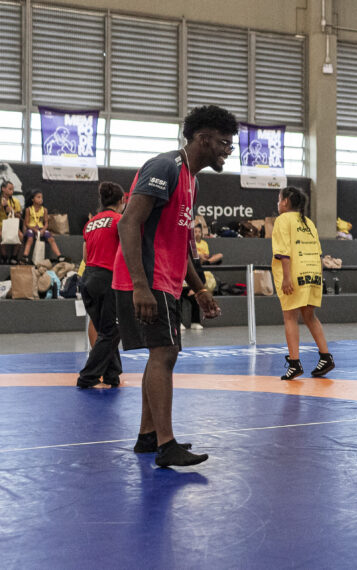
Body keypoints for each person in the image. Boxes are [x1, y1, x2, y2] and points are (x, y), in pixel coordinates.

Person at [113, 105, 238, 468]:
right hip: (147, 280)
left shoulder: (192, 180)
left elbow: (182, 244)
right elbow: (127, 224)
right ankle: (166, 445)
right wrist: (140, 285)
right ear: (203, 138)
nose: (227, 151)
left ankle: (148, 436)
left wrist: (199, 288)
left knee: (160, 355)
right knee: (164, 355)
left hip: (164, 281)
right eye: (224, 144)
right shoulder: (164, 166)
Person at [272, 186, 335, 380]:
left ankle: (294, 363)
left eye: (279, 199)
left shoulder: (282, 220)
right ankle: (326, 357)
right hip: (313, 273)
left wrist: (287, 277)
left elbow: (283, 251)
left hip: (294, 273)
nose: (277, 203)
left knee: (290, 317)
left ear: (285, 202)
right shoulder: (308, 222)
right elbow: (319, 252)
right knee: (309, 316)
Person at [76, 182, 125, 389]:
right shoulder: (119, 220)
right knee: (111, 330)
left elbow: (86, 256)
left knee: (106, 329)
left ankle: (112, 375)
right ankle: (88, 376)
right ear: (122, 201)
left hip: (87, 278)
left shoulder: (91, 223)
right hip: (107, 278)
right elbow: (127, 251)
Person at [21, 190, 63, 263]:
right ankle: (25, 256)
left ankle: (59, 256)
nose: (41, 199)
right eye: (38, 197)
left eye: (41, 197)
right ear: (32, 199)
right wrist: (33, 229)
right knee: (30, 238)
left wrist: (43, 230)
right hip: (31, 228)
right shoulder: (28, 209)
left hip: (41, 228)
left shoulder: (44, 210)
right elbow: (26, 223)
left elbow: (46, 223)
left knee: (51, 238)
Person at [0, 180, 22, 264]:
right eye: (9, 189)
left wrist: (8, 208)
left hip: (12, 224)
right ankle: (4, 256)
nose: (12, 191)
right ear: (3, 189)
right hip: (1, 224)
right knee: (1, 235)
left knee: (20, 236)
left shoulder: (15, 201)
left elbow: (19, 216)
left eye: (12, 189)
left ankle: (14, 256)